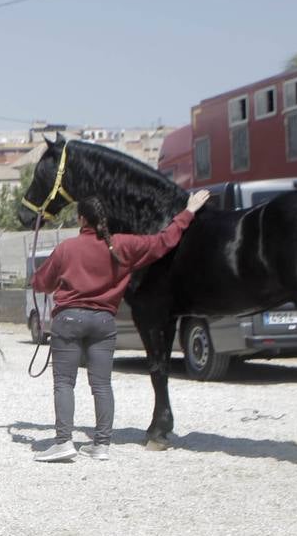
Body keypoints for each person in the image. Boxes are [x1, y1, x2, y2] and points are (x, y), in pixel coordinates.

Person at [30, 189, 210, 462]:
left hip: (69, 319)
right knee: (102, 385)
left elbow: (41, 283)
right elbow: (165, 241)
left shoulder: (67, 248)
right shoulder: (124, 245)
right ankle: (101, 444)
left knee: (64, 383)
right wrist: (189, 211)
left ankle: (64, 441)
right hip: (104, 321)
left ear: (81, 220)